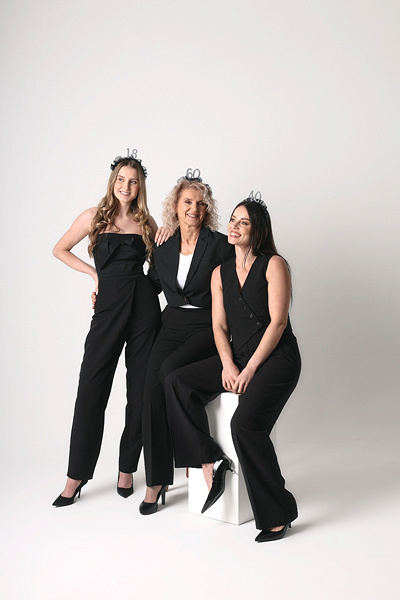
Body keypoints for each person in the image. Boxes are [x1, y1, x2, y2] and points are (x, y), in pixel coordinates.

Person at [164, 194, 301, 542]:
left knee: (244, 425)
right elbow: (219, 326)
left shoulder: (274, 265)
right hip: (237, 357)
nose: (235, 227)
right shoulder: (220, 273)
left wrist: (250, 369)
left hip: (276, 359)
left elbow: (278, 323)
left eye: (244, 222)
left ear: (258, 231)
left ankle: (279, 513)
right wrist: (228, 364)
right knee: (177, 381)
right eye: (233, 220)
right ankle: (209, 459)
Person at [52, 150, 163, 507]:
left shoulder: (147, 222)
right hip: (109, 306)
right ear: (113, 181)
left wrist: (170, 233)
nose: (126, 186)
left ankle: (127, 468)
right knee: (91, 388)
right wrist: (94, 275)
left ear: (140, 186)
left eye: (133, 181)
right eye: (121, 179)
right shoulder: (93, 216)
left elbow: (164, 260)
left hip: (144, 307)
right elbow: (60, 249)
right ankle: (76, 475)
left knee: (140, 391)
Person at [139, 169, 234, 515]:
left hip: (207, 324)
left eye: (200, 203)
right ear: (175, 207)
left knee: (169, 373)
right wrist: (108, 293)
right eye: (187, 202)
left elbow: (235, 287)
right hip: (172, 322)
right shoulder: (163, 245)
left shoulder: (220, 244)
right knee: (151, 388)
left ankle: (204, 460)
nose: (194, 208)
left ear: (207, 209)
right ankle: (156, 480)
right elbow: (151, 286)